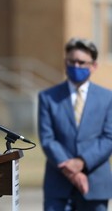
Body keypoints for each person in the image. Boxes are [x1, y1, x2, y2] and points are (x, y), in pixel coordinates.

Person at [38, 37, 112, 211]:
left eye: (81, 62)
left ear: (93, 66)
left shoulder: (107, 98)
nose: (76, 66)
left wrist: (81, 163)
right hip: (58, 186)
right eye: (72, 62)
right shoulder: (48, 97)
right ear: (65, 62)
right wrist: (71, 171)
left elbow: (108, 138)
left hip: (95, 185)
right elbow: (48, 139)